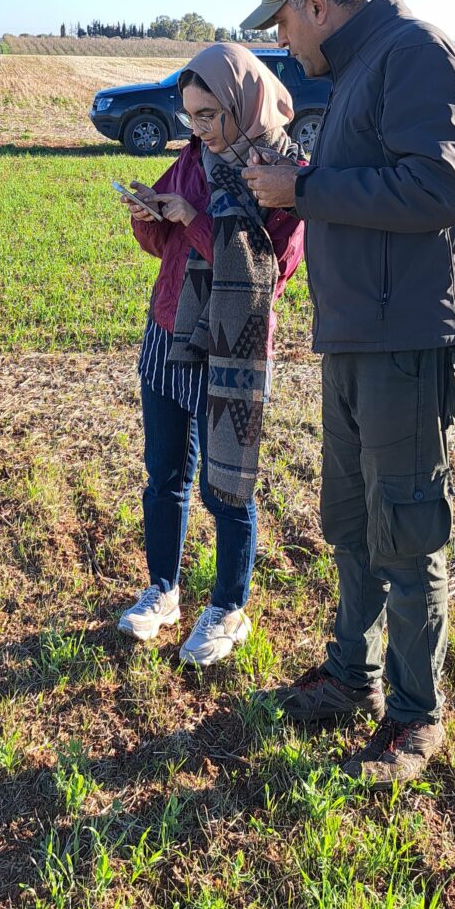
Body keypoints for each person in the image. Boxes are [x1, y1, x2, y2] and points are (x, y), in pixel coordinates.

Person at [240, 0, 455, 786]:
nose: (282, 43)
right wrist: (300, 177)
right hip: (358, 335)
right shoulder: (362, 66)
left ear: (315, 3)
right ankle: (352, 673)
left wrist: (304, 191)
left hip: (405, 339)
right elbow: (371, 181)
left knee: (407, 527)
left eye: (281, 22)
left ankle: (415, 720)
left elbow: (437, 189)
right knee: (350, 519)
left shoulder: (414, 49)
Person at [117, 41, 304, 667]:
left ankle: (228, 606)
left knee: (225, 487)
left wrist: (194, 217)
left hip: (230, 350)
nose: (195, 131)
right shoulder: (194, 156)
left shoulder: (284, 174)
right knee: (163, 472)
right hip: (164, 332)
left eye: (207, 116)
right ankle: (164, 590)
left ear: (241, 102)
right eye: (190, 117)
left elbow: (270, 270)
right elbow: (162, 247)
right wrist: (151, 211)